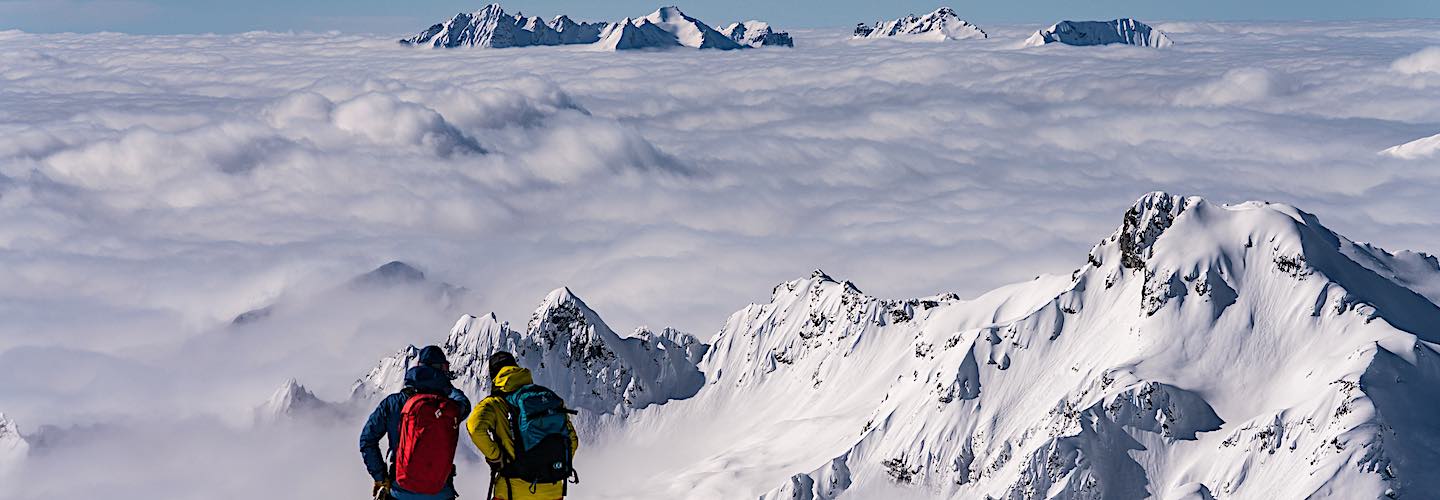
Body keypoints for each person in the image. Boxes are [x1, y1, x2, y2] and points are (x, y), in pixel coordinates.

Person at [360, 346, 472, 500]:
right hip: (441, 492)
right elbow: (464, 404)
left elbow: (367, 440)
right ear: (442, 369)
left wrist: (380, 477)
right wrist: (445, 385)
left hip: (400, 491)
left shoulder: (393, 403)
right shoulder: (449, 406)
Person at [466, 351, 580, 500]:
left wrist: (496, 456)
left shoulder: (495, 403)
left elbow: (475, 427)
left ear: (494, 377)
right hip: (553, 489)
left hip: (513, 489)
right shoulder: (548, 398)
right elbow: (572, 440)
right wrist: (552, 463)